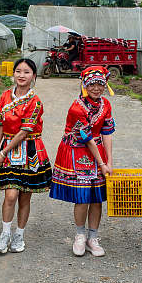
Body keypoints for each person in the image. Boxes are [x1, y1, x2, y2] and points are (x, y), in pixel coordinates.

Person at [49, 65, 116, 257]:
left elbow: (107, 133)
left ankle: (92, 237)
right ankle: (79, 235)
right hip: (77, 151)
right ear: (85, 85)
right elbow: (86, 138)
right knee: (82, 197)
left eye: (100, 84)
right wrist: (102, 164)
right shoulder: (77, 107)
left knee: (97, 198)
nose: (96, 88)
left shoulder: (105, 105)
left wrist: (109, 161)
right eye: (92, 84)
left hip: (97, 152)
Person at [0, 58, 52, 254]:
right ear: (13, 74)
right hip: (7, 149)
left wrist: (3, 151)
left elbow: (24, 132)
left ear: (34, 76)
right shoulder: (4, 97)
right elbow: (0, 124)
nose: (21, 75)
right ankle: (5, 233)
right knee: (10, 195)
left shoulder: (35, 102)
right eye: (18, 71)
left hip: (30, 151)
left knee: (25, 197)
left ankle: (19, 235)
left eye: (26, 72)